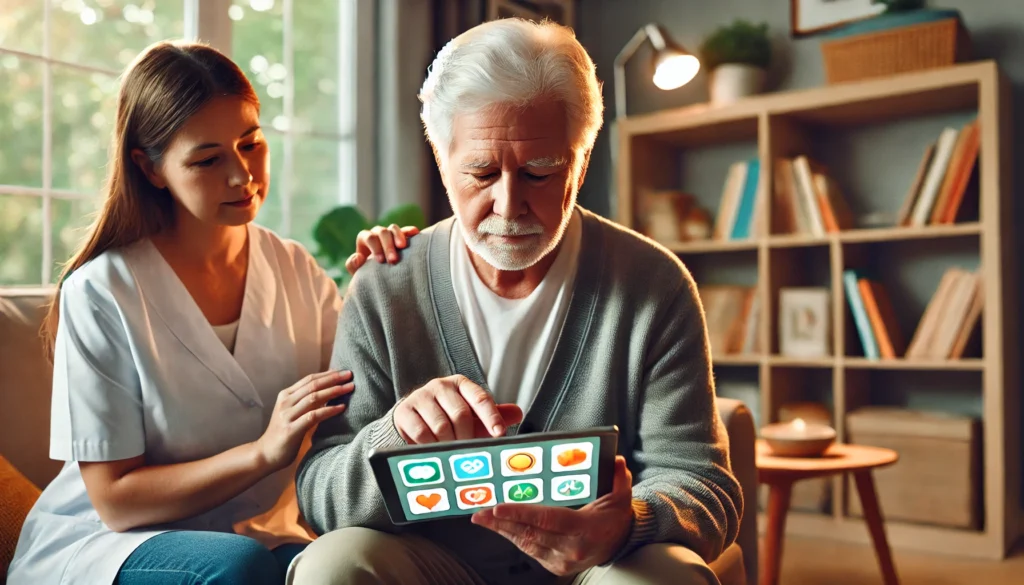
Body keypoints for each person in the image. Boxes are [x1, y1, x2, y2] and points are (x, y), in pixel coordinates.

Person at [292, 18, 743, 585]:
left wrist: (629, 523)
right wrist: (393, 438)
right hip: (430, 568)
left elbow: (703, 481)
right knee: (334, 565)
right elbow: (319, 495)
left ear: (581, 161)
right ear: (441, 159)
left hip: (594, 569)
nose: (509, 205)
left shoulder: (653, 285)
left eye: (540, 172)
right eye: (481, 172)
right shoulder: (387, 285)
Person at [6, 40, 413, 585]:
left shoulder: (295, 270)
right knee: (235, 568)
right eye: (208, 159)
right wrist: (262, 452)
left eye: (251, 144)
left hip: (263, 539)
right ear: (150, 169)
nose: (242, 176)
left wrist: (382, 288)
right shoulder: (101, 292)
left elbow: (359, 409)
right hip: (114, 547)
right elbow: (116, 502)